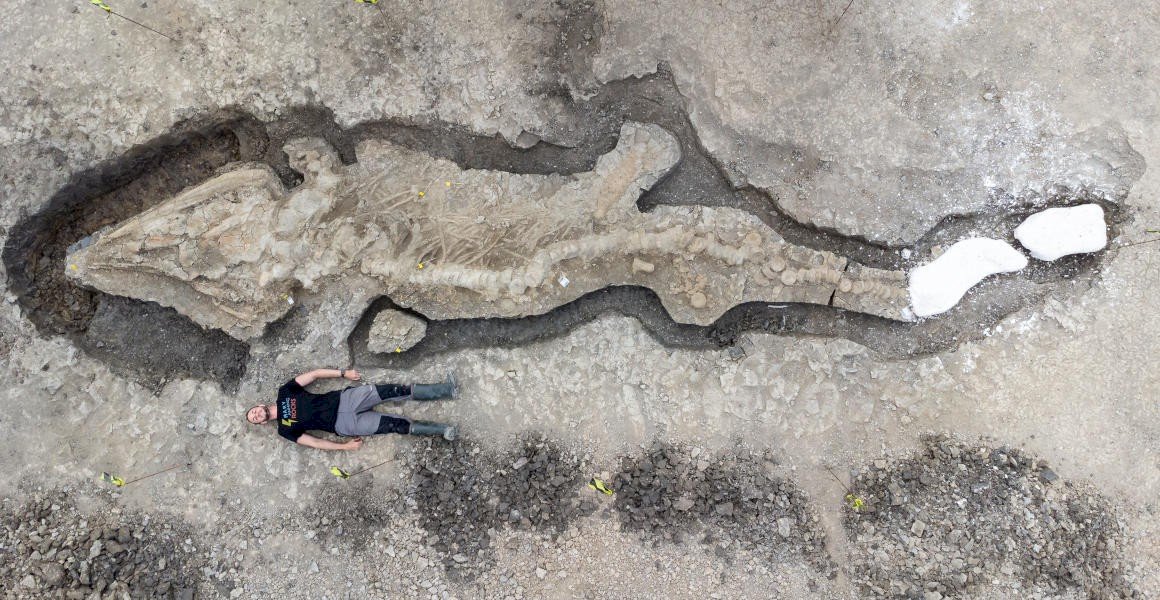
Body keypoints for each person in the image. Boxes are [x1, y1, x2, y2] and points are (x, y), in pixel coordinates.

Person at [245, 368, 457, 450]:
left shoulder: (285, 392)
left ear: (260, 405)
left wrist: (343, 373)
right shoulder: (284, 429)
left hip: (346, 400)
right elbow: (315, 442)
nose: (256, 414)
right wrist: (344, 447)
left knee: (394, 390)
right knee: (395, 425)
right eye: (255, 418)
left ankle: (447, 389)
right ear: (262, 422)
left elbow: (314, 374)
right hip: (344, 424)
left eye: (253, 411)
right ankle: (444, 430)